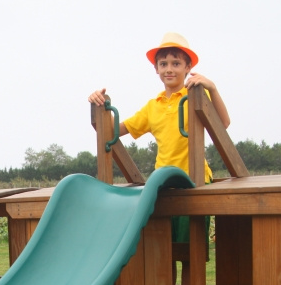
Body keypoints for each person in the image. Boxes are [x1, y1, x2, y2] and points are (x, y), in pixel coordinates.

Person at [89, 32, 230, 243]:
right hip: (164, 184)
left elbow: (223, 123)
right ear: (156, 69)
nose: (169, 69)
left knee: (192, 250)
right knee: (165, 251)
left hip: (195, 180)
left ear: (188, 67)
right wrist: (100, 106)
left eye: (176, 63)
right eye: (163, 64)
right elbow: (113, 131)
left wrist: (213, 88)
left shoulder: (196, 96)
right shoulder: (153, 106)